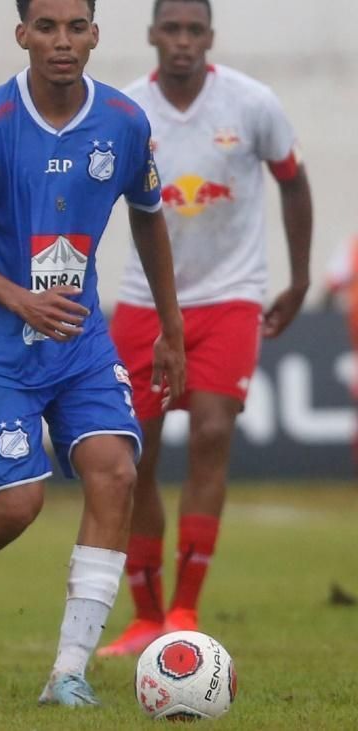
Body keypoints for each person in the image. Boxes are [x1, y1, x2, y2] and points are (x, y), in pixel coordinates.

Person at [0, 0, 187, 707]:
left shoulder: (123, 122)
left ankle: (68, 672)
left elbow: (149, 220)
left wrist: (171, 331)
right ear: (22, 34)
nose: (62, 41)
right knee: (16, 504)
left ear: (94, 35)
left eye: (76, 27)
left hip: (79, 337)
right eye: (47, 27)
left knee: (116, 469)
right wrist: (19, 299)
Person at [98, 0, 313, 656]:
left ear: (209, 38)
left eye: (195, 30)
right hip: (143, 302)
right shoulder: (127, 112)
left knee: (214, 430)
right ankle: (144, 614)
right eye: (173, 29)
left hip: (231, 295)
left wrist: (300, 278)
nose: (183, 41)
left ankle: (185, 609)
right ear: (153, 35)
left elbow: (294, 183)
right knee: (137, 457)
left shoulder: (252, 103)